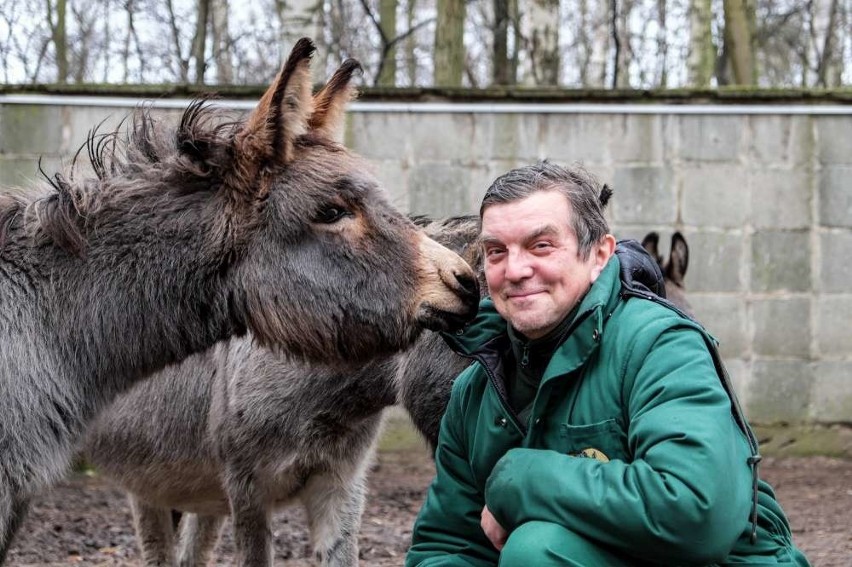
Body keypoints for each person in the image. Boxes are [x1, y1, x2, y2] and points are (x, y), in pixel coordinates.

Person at [406, 161, 809, 566]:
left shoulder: (661, 347)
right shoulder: (477, 387)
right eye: (496, 252)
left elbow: (696, 515)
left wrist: (519, 481)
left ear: (600, 254)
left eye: (541, 246)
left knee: (536, 551)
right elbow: (447, 546)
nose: (515, 270)